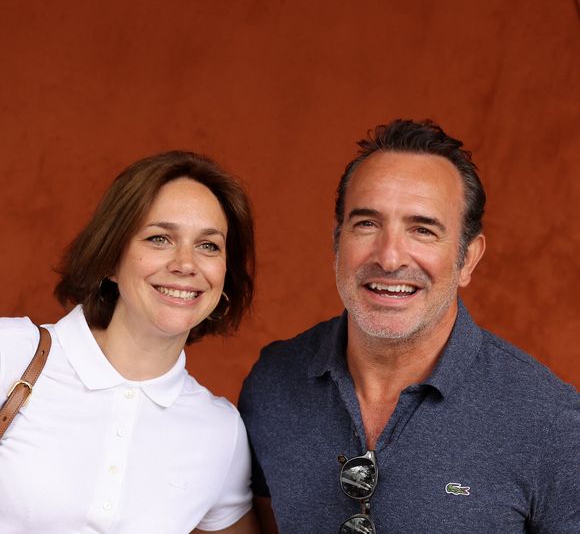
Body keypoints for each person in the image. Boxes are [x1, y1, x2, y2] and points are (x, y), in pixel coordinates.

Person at [239, 120, 580, 533]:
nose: (389, 256)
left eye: (423, 229)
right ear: (336, 241)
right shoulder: (274, 380)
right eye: (367, 223)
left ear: (468, 258)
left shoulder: (551, 421)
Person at [0, 151, 259, 533]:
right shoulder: (11, 352)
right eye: (159, 238)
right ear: (110, 259)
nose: (186, 263)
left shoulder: (220, 431)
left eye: (209, 246)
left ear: (224, 276)